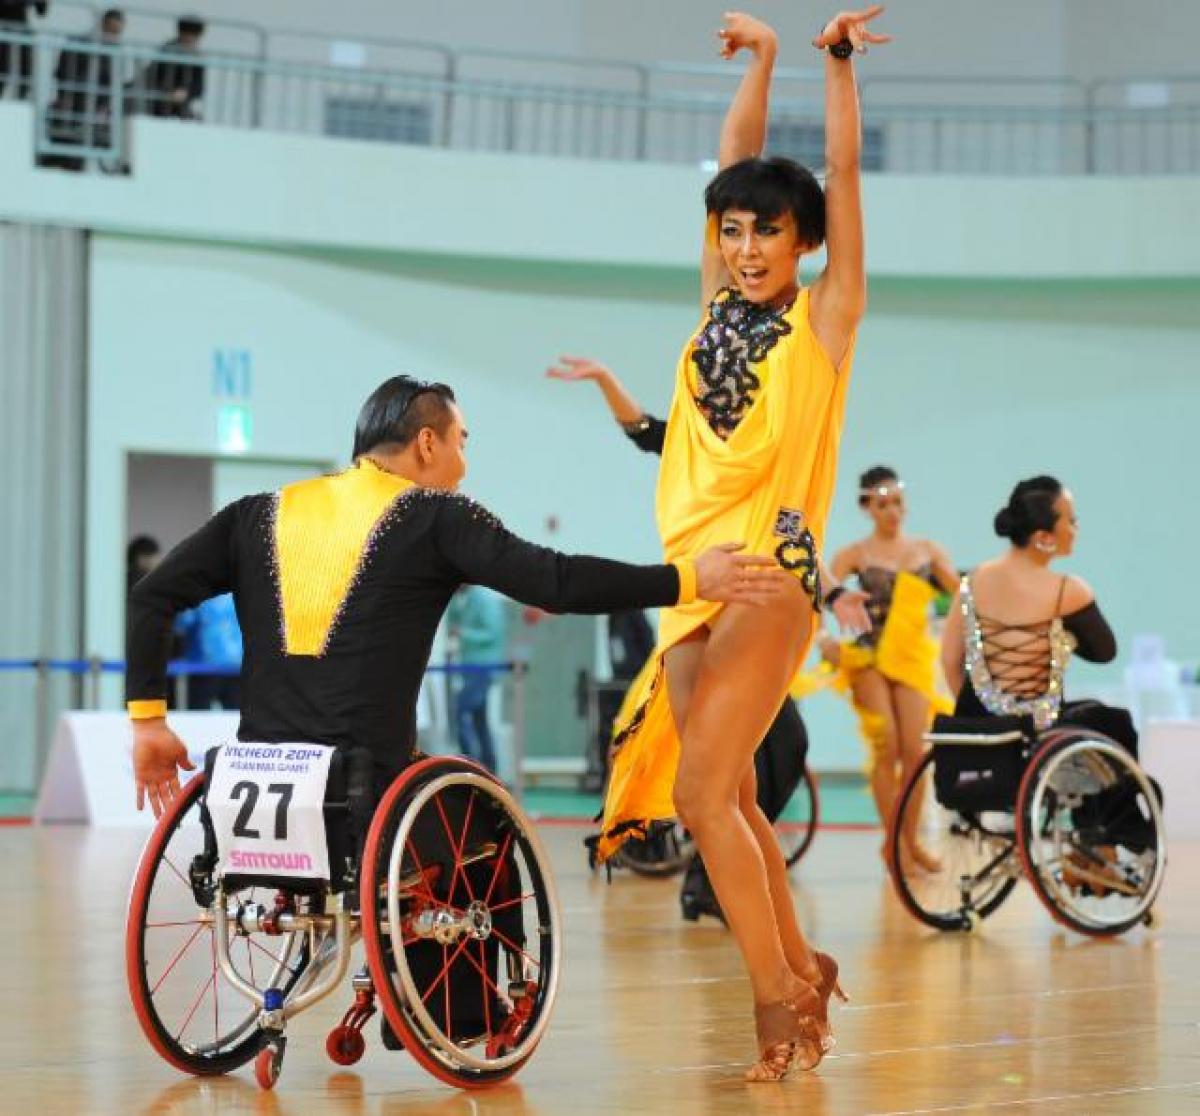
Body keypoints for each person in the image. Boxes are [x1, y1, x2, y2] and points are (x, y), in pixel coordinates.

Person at [587, 8, 888, 1081]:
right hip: (686, 580)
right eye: (734, 229)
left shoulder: (826, 321)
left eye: (769, 231)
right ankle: (804, 964)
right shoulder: (714, 304)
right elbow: (733, 163)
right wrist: (759, 62)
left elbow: (842, 177)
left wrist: (833, 65)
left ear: (802, 244)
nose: (747, 246)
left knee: (702, 798)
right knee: (738, 801)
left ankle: (782, 1012)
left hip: (770, 573)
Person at [127, 375, 789, 823]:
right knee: (485, 829)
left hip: (255, 773)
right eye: (461, 443)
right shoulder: (436, 516)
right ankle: (469, 1019)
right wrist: (686, 578)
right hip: (363, 788)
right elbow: (556, 581)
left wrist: (149, 722)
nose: (464, 462)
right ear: (426, 444)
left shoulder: (257, 512)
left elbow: (151, 599)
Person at [547, 354, 814, 922]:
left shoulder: (772, 460)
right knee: (718, 784)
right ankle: (717, 894)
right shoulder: (695, 453)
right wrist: (605, 378)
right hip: (696, 615)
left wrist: (831, 594)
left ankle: (759, 927)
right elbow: (644, 430)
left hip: (755, 617)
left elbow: (798, 534)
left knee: (779, 752)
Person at [940, 476, 1152, 883]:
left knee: (1090, 720)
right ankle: (1101, 847)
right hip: (1041, 725)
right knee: (1113, 724)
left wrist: (984, 717)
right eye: (1070, 521)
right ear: (1043, 537)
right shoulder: (1068, 591)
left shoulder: (972, 583)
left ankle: (1093, 853)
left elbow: (950, 660)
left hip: (983, 726)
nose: (1076, 529)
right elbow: (1105, 652)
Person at [813, 465, 957, 870]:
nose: (892, 511)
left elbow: (962, 596)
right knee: (887, 745)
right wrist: (824, 640)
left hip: (911, 658)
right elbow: (815, 593)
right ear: (867, 507)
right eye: (883, 504)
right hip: (868, 657)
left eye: (897, 502)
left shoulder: (927, 550)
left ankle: (908, 842)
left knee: (916, 749)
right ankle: (894, 840)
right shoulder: (854, 555)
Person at [43, 8, 125, 172]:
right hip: (76, 103)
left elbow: (113, 83)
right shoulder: (82, 42)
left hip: (95, 108)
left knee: (82, 148)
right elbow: (64, 71)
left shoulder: (115, 51)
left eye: (117, 31)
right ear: (103, 24)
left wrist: (105, 105)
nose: (114, 34)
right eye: (111, 29)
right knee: (70, 144)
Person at [447, 583, 507, 773]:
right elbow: (453, 622)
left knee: (460, 710)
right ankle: (490, 770)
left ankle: (471, 767)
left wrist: (463, 634)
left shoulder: (484, 599)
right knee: (480, 721)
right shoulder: (466, 600)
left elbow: (493, 633)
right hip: (472, 668)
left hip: (482, 668)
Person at [175, 591, 242, 710]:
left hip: (204, 668)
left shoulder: (197, 591)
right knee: (236, 718)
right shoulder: (243, 590)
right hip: (231, 667)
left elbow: (182, 624)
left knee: (198, 720)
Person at [139, 15, 204, 119]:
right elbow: (155, 75)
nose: (190, 40)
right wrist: (169, 92)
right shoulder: (167, 51)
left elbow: (199, 87)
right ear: (180, 33)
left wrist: (186, 93)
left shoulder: (197, 57)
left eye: (193, 37)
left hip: (180, 105)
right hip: (158, 102)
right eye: (187, 35)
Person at [0, 0, 46, 101]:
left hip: (21, 28)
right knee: (4, 67)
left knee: (24, 71)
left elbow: (42, 11)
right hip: (4, 27)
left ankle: (22, 96)